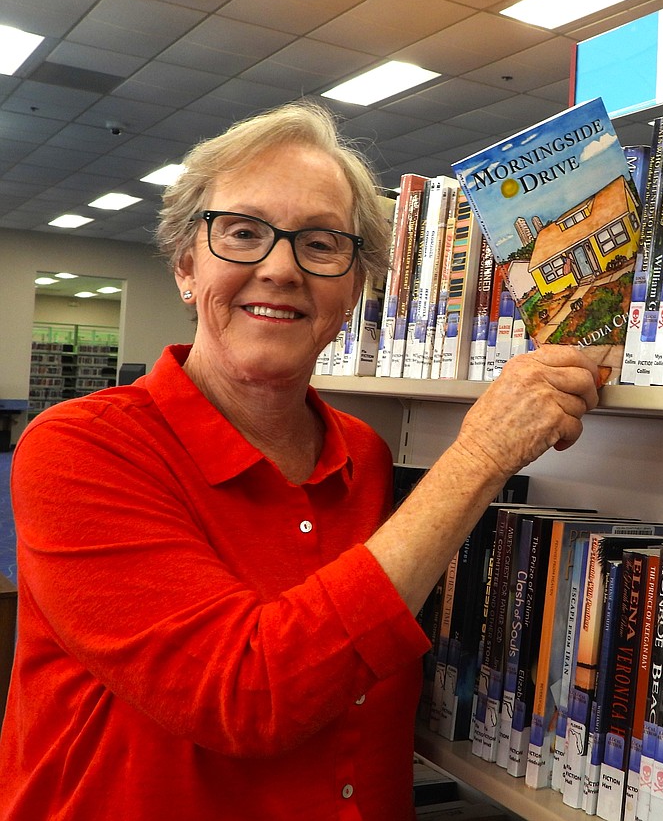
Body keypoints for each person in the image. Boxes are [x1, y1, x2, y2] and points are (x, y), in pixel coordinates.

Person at [0, 100, 600, 820]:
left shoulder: (368, 458)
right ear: (187, 266)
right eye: (244, 233)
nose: (281, 269)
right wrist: (482, 453)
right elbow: (243, 696)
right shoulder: (82, 448)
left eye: (320, 245)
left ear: (353, 290)